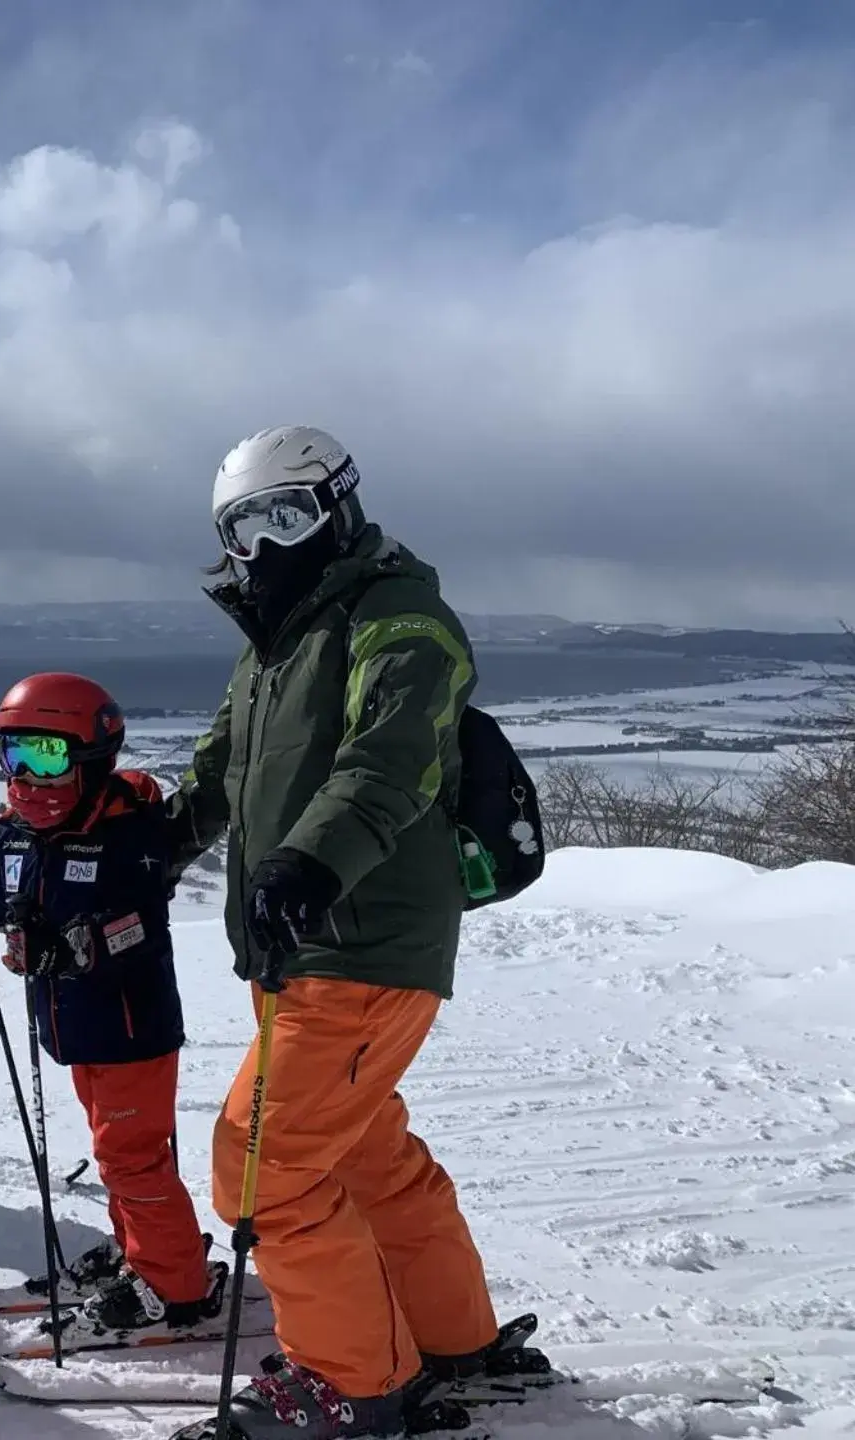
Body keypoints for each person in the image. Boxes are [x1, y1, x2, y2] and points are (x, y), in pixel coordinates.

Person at [164, 426, 543, 1438]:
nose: (267, 544)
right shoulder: (278, 646)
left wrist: (314, 858)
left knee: (263, 1161)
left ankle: (352, 1382)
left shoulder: (400, 617)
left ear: (339, 506)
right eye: (244, 527)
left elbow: (391, 755)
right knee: (364, 1152)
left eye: (287, 515)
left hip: (361, 933)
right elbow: (222, 764)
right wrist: (168, 838)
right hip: (301, 941)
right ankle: (450, 1335)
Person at [0, 672, 216, 1335]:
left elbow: (140, 925)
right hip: (72, 1027)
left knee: (132, 1155)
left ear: (92, 760)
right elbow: (17, 904)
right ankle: (142, 1254)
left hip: (130, 1026)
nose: (29, 778)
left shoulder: (126, 834)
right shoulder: (18, 831)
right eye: (16, 756)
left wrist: (75, 947)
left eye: (48, 757)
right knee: (117, 1152)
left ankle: (174, 1286)